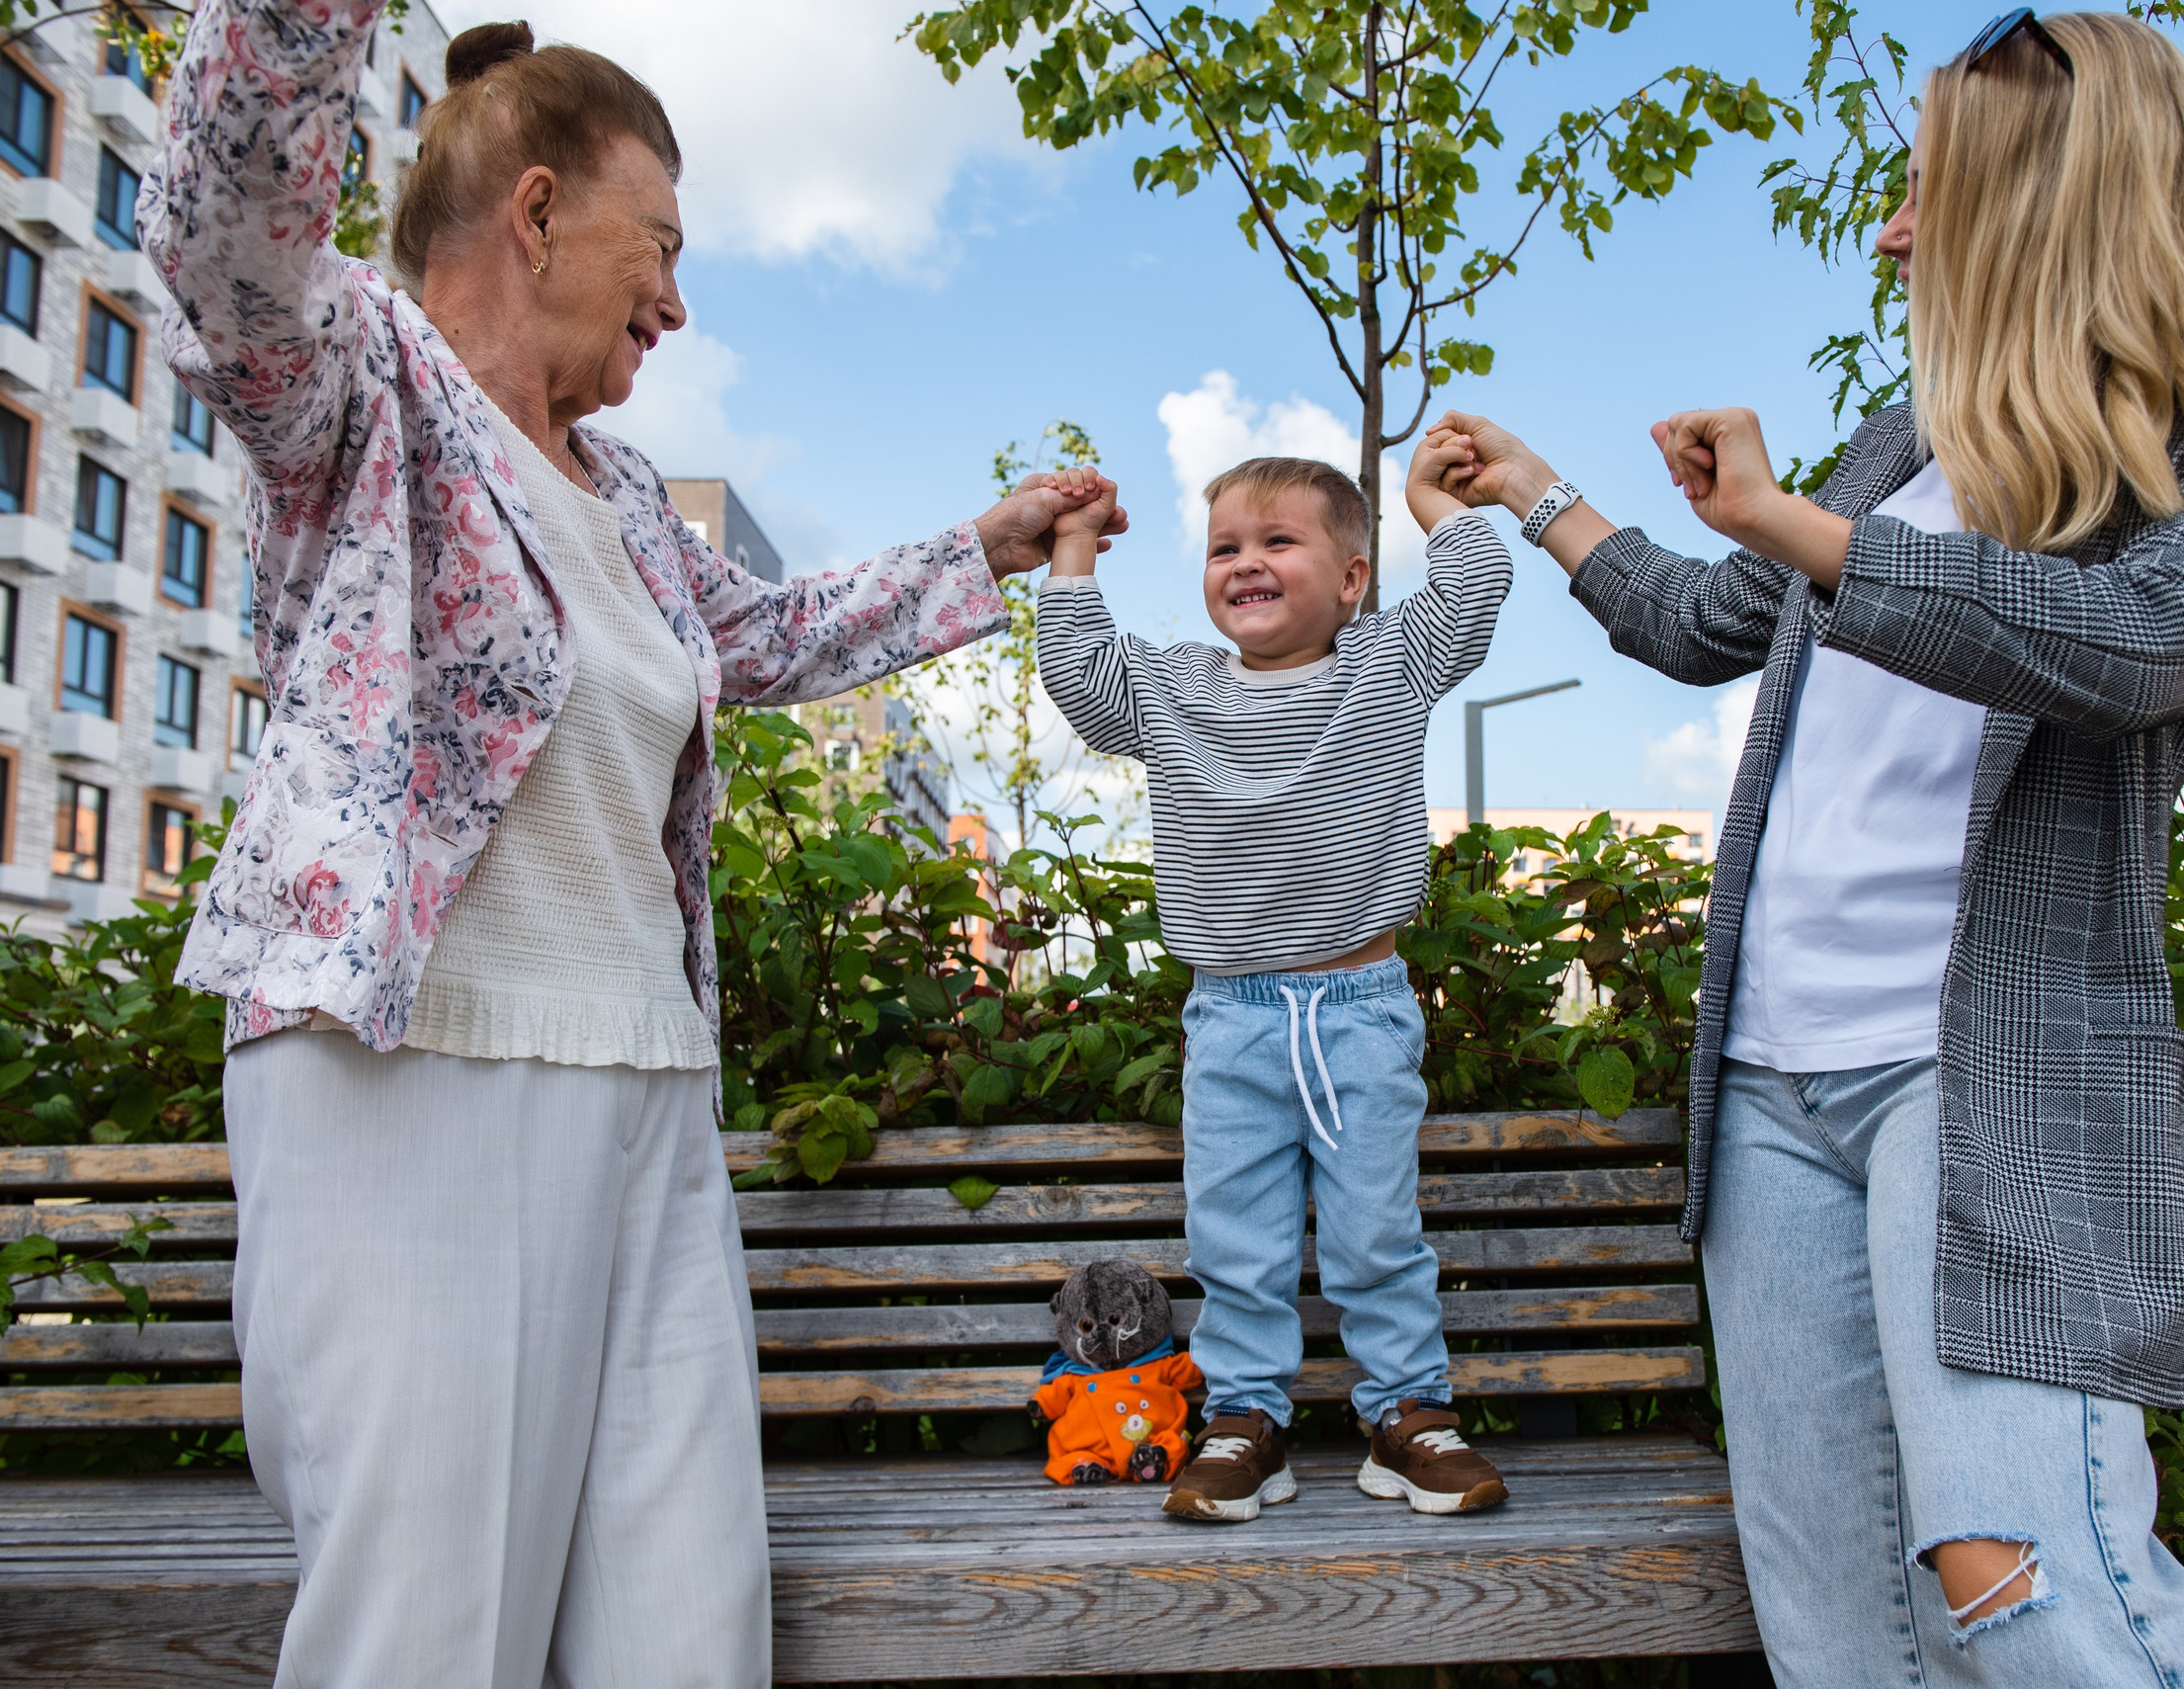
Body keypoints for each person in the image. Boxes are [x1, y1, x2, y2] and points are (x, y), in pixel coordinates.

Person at [140, 6, 1099, 1684]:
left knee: (682, 1621)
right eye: (660, 242)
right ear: (533, 212)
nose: (677, 296)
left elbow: (768, 635)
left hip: (646, 1079)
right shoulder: (360, 384)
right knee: (425, 1634)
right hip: (412, 1062)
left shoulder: (632, 494)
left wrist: (985, 549)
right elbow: (224, 212)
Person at [1428, 11, 2184, 1685]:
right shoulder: (1900, 445)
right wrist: (1540, 488)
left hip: (1984, 1073)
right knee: (1845, 1616)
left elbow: (2128, 642)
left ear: (2043, 202)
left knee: (2021, 1570)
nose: (1889, 227)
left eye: (1927, 191)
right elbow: (1714, 614)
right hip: (1778, 1088)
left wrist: (1813, 534)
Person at [1035, 448, 1512, 1521]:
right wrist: (1072, 552)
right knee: (1235, 1235)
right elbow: (1081, 678)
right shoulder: (1171, 687)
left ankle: (1407, 1414)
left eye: (1275, 542)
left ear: (1351, 577)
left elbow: (1475, 588)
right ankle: (1248, 1419)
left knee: (1375, 1230)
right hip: (1234, 1017)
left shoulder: (1386, 664)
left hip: (1360, 1010)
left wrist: (1434, 503)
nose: (1244, 563)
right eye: (1223, 549)